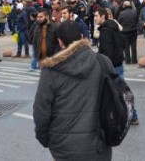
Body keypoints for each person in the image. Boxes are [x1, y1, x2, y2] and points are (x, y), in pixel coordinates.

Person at [33, 20, 113, 161]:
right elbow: (116, 99)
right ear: (82, 36)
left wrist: (45, 139)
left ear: (60, 42)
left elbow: (41, 111)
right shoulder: (103, 62)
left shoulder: (51, 70)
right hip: (99, 144)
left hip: (63, 146)